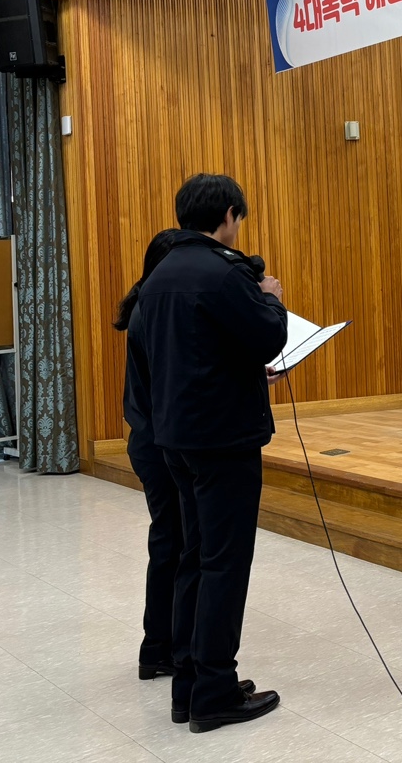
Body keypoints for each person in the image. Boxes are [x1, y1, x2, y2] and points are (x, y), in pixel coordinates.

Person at [128, 174, 288, 733]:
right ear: (228, 215)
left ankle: (189, 687)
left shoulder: (160, 274)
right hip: (224, 440)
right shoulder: (224, 272)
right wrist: (271, 299)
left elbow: (191, 353)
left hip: (174, 438)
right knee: (224, 563)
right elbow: (267, 338)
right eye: (238, 217)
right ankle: (215, 691)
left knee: (194, 559)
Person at [112, 229, 183, 682]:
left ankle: (159, 646)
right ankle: (161, 647)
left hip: (149, 440)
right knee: (173, 545)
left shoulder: (146, 306)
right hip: (160, 444)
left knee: (169, 543)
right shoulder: (154, 314)